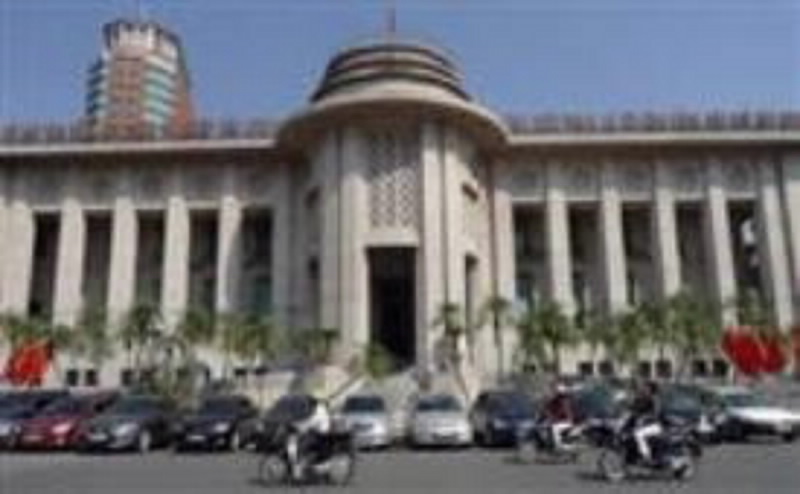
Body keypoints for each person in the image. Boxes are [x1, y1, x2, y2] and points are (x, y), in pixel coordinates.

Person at [627, 380, 663, 463]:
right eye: (644, 387)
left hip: (654, 425)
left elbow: (656, 414)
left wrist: (644, 418)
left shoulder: (655, 400)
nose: (643, 389)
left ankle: (646, 456)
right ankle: (633, 456)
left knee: (639, 434)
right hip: (643, 425)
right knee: (629, 434)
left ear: (651, 389)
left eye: (646, 388)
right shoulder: (641, 398)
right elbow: (633, 408)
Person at [541, 382, 576, 451]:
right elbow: (548, 407)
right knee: (543, 426)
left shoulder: (565, 401)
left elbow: (564, 413)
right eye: (556, 392)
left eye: (558, 392)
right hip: (559, 421)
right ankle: (547, 445)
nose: (556, 393)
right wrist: (545, 411)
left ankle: (558, 446)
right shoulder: (555, 400)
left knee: (554, 428)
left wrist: (554, 419)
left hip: (567, 422)